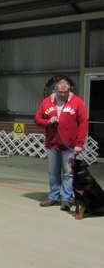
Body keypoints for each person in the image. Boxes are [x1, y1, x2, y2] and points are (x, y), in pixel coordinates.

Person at [35, 79, 88, 211]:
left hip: (69, 145)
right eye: (60, 92)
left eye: (66, 92)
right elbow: (37, 119)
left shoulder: (77, 102)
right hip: (52, 143)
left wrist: (79, 143)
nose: (63, 94)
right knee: (53, 172)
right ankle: (53, 197)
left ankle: (66, 200)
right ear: (55, 90)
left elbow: (83, 122)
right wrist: (48, 121)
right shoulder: (46, 102)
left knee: (68, 173)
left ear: (69, 90)